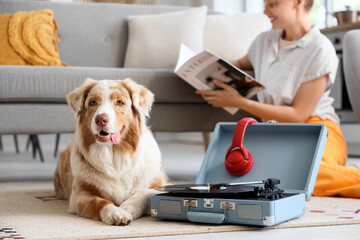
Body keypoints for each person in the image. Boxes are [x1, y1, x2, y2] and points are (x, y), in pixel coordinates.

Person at [196, 0, 360, 198]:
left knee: (306, 176)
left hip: (318, 129)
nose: (266, 11)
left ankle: (340, 171)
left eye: (273, 4)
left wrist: (239, 102)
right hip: (276, 132)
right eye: (265, 4)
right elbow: (239, 63)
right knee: (268, 176)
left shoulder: (320, 49)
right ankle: (341, 172)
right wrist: (204, 64)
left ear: (297, 2)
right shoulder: (263, 42)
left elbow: (299, 115)